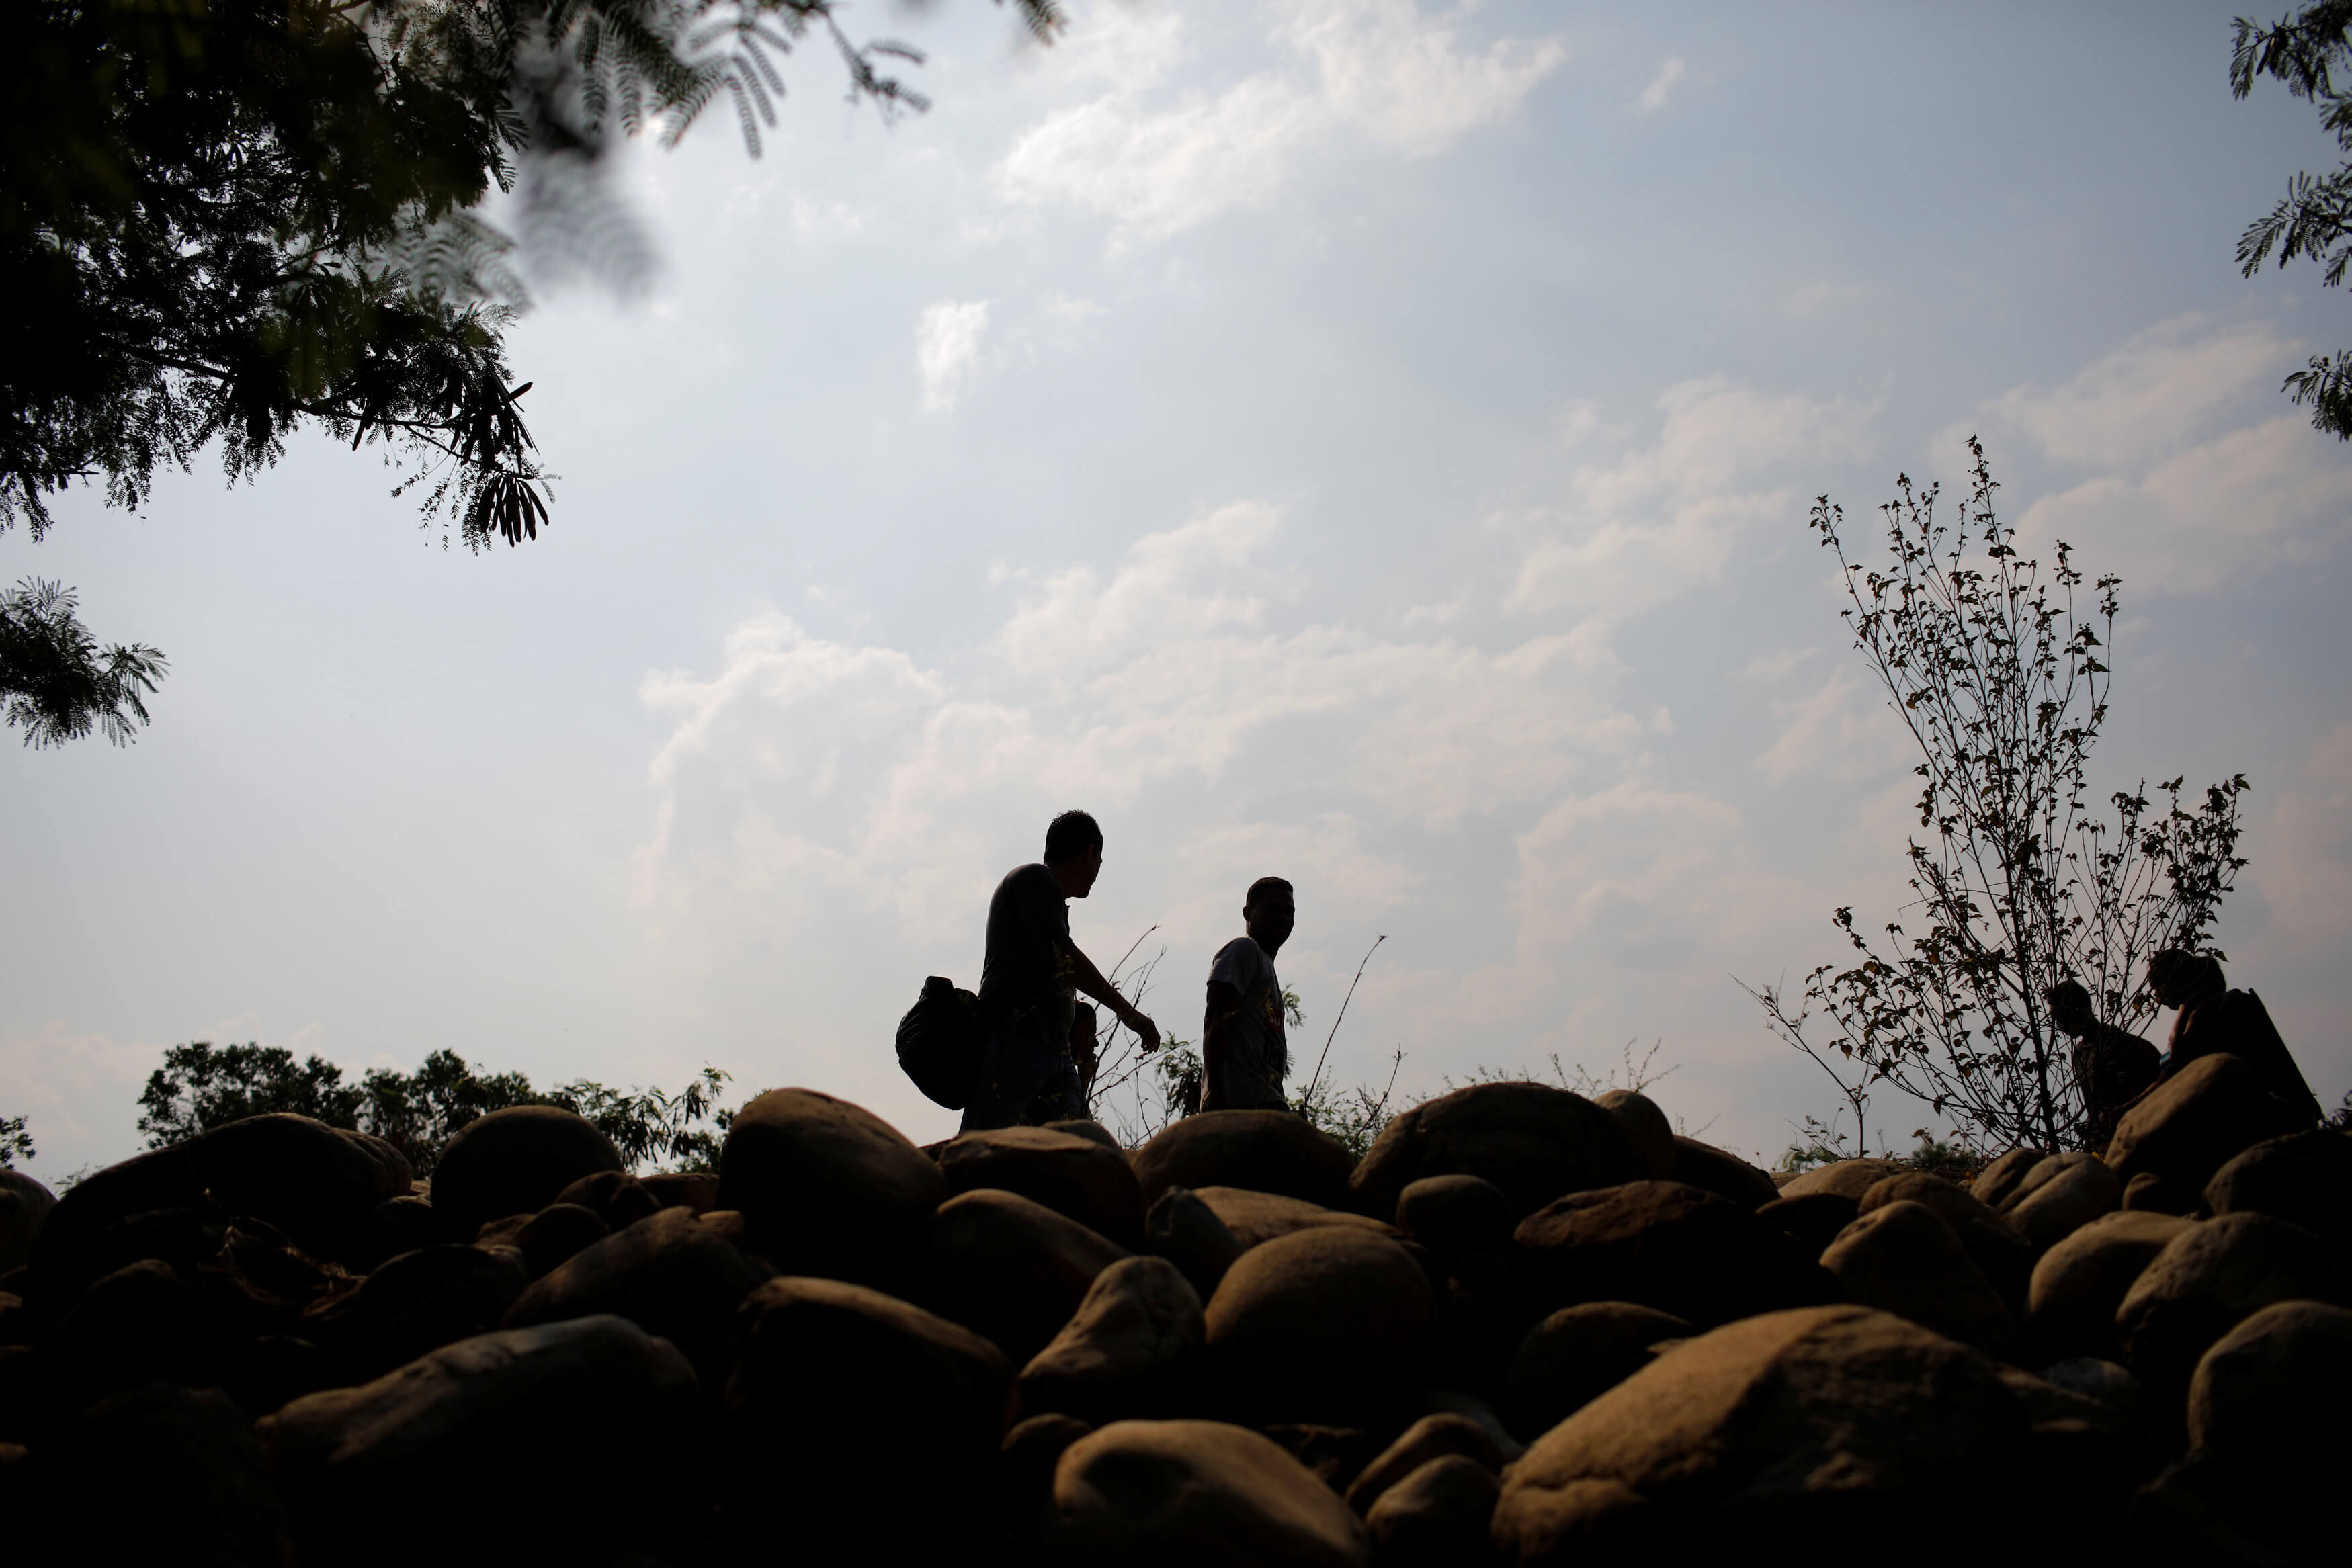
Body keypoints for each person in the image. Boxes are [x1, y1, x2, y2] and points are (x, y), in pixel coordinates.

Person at [965, 811, 1159, 1133]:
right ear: (1089, 853)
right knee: (981, 1147)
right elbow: (1062, 956)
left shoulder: (1046, 896)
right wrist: (1128, 1012)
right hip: (1015, 1045)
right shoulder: (1033, 879)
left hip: (1053, 1053)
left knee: (1079, 1153)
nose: (1098, 870)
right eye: (1100, 859)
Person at [2144, 949, 2323, 1123]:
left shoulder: (2216, 1010)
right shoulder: (2200, 1013)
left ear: (2175, 979)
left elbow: (2178, 1054)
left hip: (2264, 1118)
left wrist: (2185, 1007)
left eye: (2157, 985)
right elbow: (2167, 1077)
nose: (2156, 994)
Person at [1201, 877, 1295, 1113]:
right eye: (1273, 909)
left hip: (1268, 1101)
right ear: (1248, 913)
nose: (1283, 917)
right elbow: (1216, 1019)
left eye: (1289, 911)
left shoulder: (1266, 966)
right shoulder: (1244, 950)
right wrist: (1216, 1092)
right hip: (1241, 1103)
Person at [2044, 979, 2159, 1149]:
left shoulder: (2119, 1042)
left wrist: (2121, 1111)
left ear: (2081, 1008)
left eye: (2061, 1016)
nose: (2060, 1025)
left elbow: (2155, 1086)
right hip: (2100, 1144)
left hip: (2135, 1138)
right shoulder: (2079, 1053)